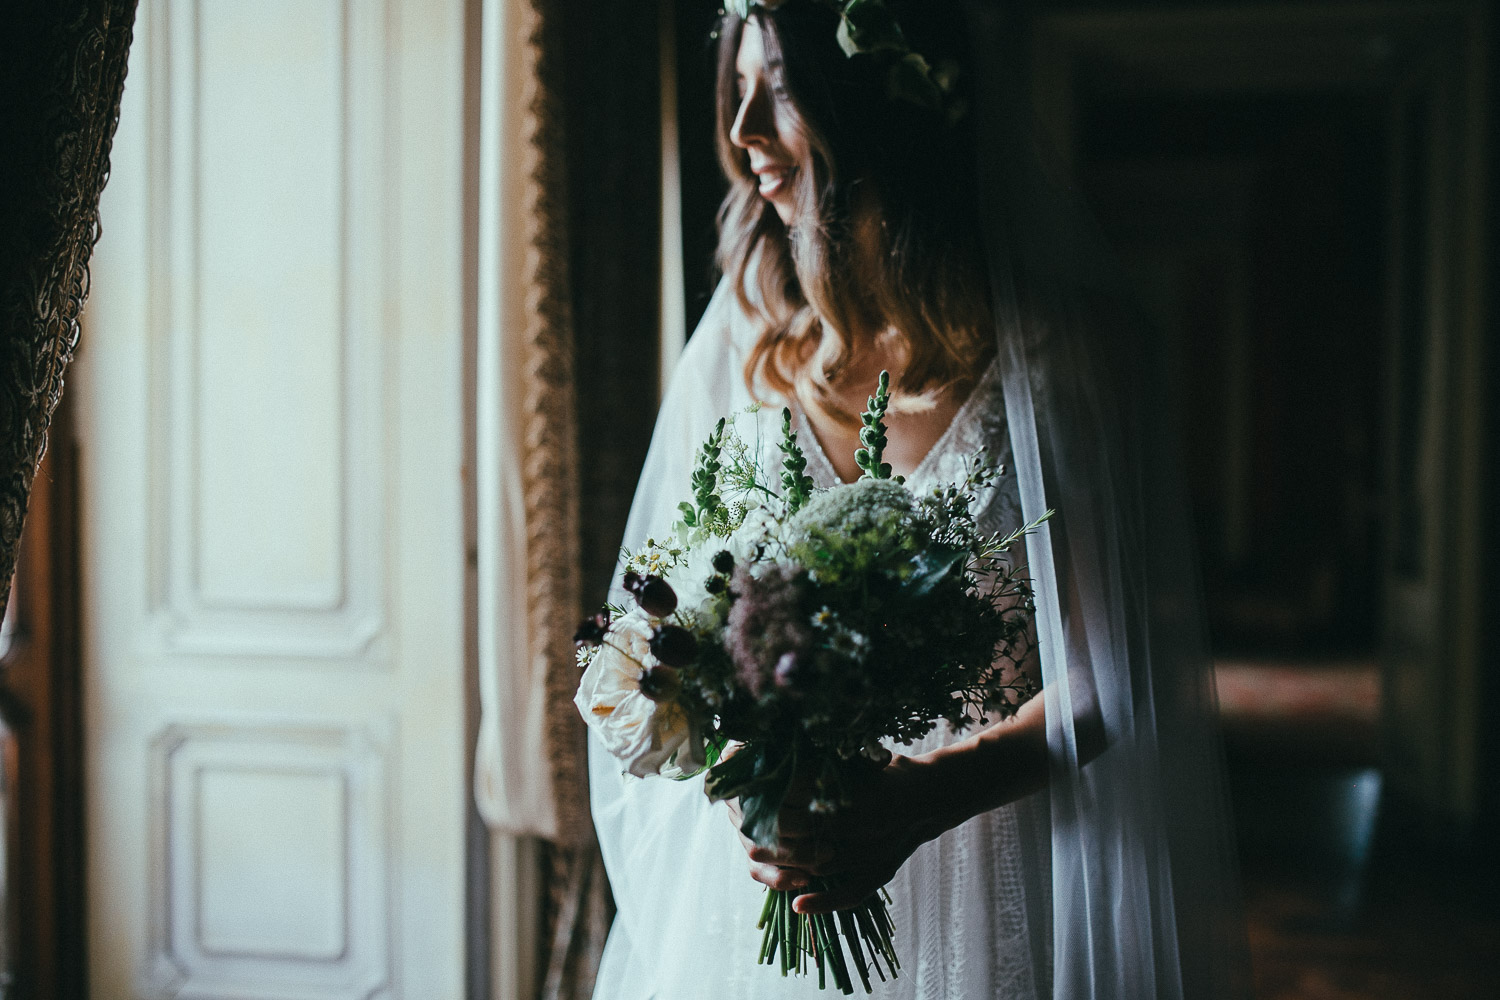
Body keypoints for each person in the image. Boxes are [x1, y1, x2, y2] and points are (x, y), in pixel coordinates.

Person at [587, 3, 1247, 997]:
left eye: (780, 89)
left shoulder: (1070, 353)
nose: (743, 134)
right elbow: (668, 615)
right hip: (766, 891)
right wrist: (744, 775)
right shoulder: (745, 346)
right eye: (735, 91)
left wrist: (922, 800)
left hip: (989, 866)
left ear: (875, 95)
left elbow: (1113, 678)